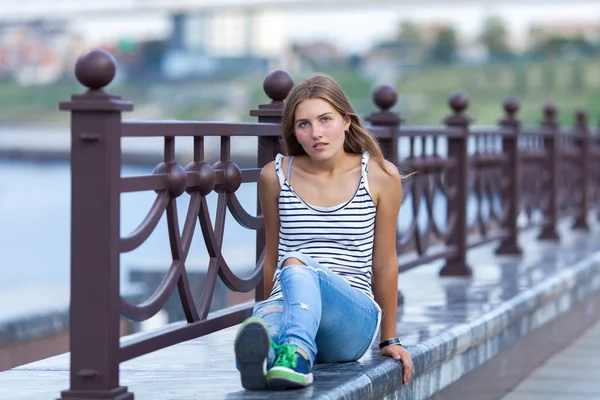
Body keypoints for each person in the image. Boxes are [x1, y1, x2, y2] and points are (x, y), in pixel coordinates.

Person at [233, 74, 413, 391]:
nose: (316, 133)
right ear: (294, 133)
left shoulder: (381, 175)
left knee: (297, 265)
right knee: (265, 324)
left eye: (325, 119)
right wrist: (267, 306)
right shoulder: (274, 176)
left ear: (346, 120)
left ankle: (293, 353)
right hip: (288, 303)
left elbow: (384, 262)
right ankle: (277, 351)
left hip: (350, 321)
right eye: (304, 124)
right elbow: (271, 257)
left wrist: (390, 338)